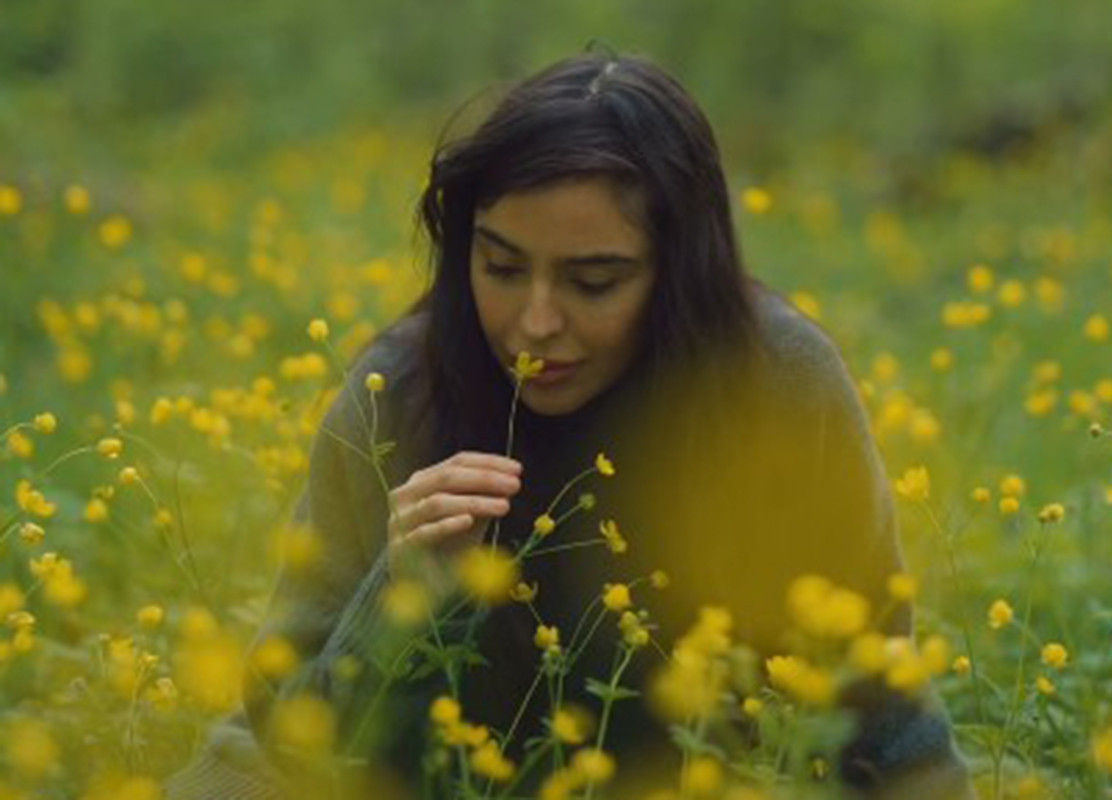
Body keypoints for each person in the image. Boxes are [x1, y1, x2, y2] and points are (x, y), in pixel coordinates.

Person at [166, 52, 974, 799]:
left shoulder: (780, 387)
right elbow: (291, 727)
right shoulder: (397, 393)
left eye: (594, 281)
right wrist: (401, 592)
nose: (535, 323)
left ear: (679, 273)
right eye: (502, 266)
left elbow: (875, 693)